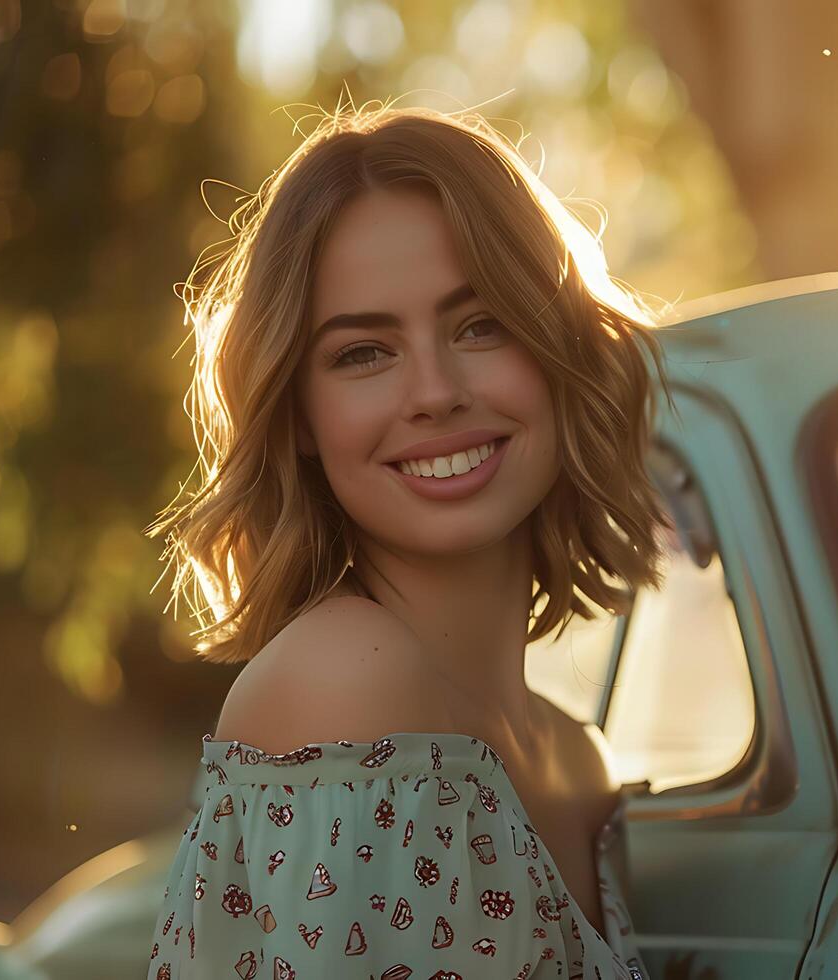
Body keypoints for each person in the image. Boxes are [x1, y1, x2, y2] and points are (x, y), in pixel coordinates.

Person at [142, 103, 672, 979]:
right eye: (362, 353)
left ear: (558, 349)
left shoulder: (578, 759)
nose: (433, 392)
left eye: (481, 324)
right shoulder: (342, 681)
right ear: (300, 416)